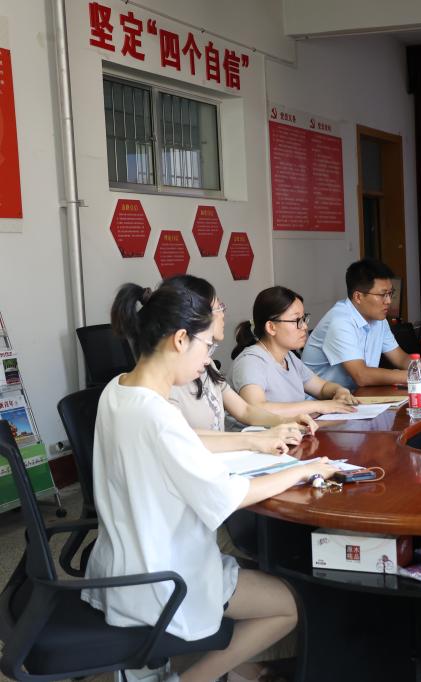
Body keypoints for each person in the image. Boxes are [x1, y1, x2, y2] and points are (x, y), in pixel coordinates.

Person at [85, 278, 339, 682]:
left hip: (119, 565)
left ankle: (220, 671)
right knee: (288, 606)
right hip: (163, 576)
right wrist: (305, 469)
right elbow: (230, 495)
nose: (208, 360)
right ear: (180, 340)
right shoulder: (159, 416)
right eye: (206, 346)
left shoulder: (116, 390)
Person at [163, 276, 317, 455]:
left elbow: (245, 410)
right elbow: (184, 438)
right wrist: (256, 439)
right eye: (218, 308)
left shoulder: (207, 364)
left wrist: (286, 421)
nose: (223, 314)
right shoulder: (166, 383)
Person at [302, 258, 421, 389]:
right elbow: (361, 375)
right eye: (382, 295)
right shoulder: (340, 321)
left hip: (355, 396)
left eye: (390, 293)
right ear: (358, 296)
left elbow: (402, 359)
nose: (389, 301)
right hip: (320, 402)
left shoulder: (378, 319)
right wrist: (418, 375)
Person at [230, 286, 359, 416]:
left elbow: (322, 388)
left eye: (304, 318)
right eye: (297, 320)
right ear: (271, 327)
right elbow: (256, 409)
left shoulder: (289, 358)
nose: (305, 326)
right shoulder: (250, 362)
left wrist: (340, 391)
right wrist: (319, 406)